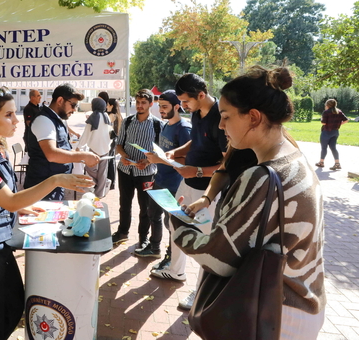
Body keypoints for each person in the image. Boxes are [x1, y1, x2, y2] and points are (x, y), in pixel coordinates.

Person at [172, 66, 326, 339]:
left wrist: (177, 222)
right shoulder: (296, 158)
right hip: (302, 303)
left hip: (270, 314)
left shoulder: (261, 176)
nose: (221, 125)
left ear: (253, 117)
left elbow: (217, 259)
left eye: (227, 117)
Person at [0, 86, 94, 340]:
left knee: (13, 306)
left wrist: (29, 207)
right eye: (8, 115)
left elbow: (4, 200)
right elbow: (11, 201)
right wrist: (56, 180)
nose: (17, 121)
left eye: (14, 113)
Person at [150, 73, 227, 311]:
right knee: (176, 226)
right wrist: (174, 153)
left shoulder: (221, 119)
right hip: (188, 183)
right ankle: (175, 271)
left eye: (186, 102)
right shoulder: (196, 113)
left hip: (208, 193)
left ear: (201, 95)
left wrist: (198, 172)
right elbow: (195, 141)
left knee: (206, 241)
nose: (183, 107)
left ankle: (201, 291)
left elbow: (227, 164)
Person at [139, 90, 191, 258]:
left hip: (174, 185)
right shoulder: (166, 125)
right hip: (159, 179)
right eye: (160, 106)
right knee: (153, 215)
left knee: (172, 223)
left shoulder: (184, 129)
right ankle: (154, 248)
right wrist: (150, 159)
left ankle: (171, 257)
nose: (160, 110)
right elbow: (164, 153)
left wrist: (159, 160)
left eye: (164, 106)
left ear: (177, 106)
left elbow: (186, 162)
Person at [24, 83, 99, 200]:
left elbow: (64, 149)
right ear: (60, 100)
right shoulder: (43, 120)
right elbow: (52, 154)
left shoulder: (57, 119)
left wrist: (83, 156)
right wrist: (83, 156)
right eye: (73, 105)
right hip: (41, 188)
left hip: (54, 185)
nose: (74, 110)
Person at [112, 89, 163, 249]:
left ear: (150, 104)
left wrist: (147, 162)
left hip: (146, 173)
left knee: (145, 207)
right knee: (124, 204)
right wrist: (124, 156)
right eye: (138, 102)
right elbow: (118, 145)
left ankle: (143, 238)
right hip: (125, 170)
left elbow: (161, 151)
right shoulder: (127, 121)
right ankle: (122, 232)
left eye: (143, 103)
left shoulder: (157, 125)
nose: (139, 106)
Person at [77, 98, 113, 198]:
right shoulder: (106, 116)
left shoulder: (93, 117)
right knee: (102, 172)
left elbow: (86, 133)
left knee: (90, 169)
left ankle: (98, 185)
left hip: (94, 149)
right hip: (105, 148)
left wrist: (79, 146)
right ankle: (100, 193)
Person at [316, 98, 349, 170]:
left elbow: (323, 123)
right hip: (335, 132)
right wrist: (339, 124)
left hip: (326, 132)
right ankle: (337, 163)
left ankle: (321, 162)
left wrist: (321, 119)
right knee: (333, 148)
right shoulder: (339, 112)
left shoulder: (326, 112)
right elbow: (346, 120)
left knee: (324, 148)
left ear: (327, 105)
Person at [106, 98, 123, 190]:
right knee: (112, 160)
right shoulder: (119, 116)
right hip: (116, 139)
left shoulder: (111, 116)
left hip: (111, 139)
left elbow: (109, 129)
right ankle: (112, 182)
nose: (106, 106)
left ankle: (110, 180)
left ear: (111, 106)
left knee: (109, 161)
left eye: (108, 104)